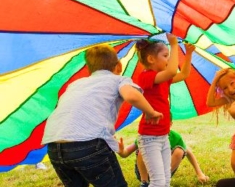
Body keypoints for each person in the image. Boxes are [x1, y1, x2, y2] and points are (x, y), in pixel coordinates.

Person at [42, 44, 163, 187]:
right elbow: (131, 95)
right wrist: (151, 112)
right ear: (118, 66)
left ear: (89, 69)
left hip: (55, 146)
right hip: (87, 144)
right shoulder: (118, 80)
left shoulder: (75, 84)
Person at [135, 34, 195, 187]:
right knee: (158, 182)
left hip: (163, 136)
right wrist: (174, 45)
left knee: (166, 180)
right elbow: (172, 71)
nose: (168, 59)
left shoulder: (162, 79)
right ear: (151, 59)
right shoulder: (146, 77)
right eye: (165, 55)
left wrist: (188, 55)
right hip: (150, 137)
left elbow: (184, 74)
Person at [116, 130, 209, 187]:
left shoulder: (175, 137)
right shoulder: (146, 136)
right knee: (142, 149)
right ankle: (144, 183)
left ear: (170, 124)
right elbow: (125, 154)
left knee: (180, 150)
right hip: (145, 173)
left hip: (164, 173)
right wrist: (120, 150)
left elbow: (188, 152)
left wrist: (199, 173)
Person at [206, 68, 235, 178]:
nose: (230, 89)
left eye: (232, 83)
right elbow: (210, 102)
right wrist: (215, 80)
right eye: (225, 88)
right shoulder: (228, 98)